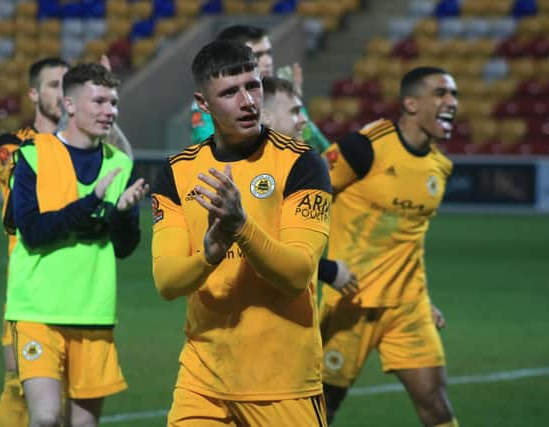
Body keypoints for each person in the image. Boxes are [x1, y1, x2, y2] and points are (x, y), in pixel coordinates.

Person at [152, 39, 332, 426]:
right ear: (203, 103)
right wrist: (209, 257)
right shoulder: (176, 173)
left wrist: (241, 226)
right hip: (202, 380)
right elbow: (167, 282)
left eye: (253, 86)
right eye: (230, 92)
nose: (248, 101)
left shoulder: (301, 163)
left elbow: (298, 273)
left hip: (281, 381)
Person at [0, 56, 134, 427]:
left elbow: (124, 246)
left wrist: (119, 216)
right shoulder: (32, 155)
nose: (109, 111)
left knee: (83, 425)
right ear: (69, 105)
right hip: (38, 311)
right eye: (100, 102)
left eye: (114, 102)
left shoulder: (120, 163)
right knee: (45, 417)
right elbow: (34, 231)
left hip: (93, 313)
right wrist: (91, 206)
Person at [317, 66, 459, 427]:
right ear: (411, 103)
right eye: (441, 93)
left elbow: (410, 240)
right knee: (320, 409)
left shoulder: (439, 167)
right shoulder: (364, 147)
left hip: (407, 306)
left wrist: (424, 299)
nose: (452, 102)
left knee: (437, 408)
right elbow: (304, 196)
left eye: (455, 95)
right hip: (351, 300)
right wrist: (320, 267)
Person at [0, 56, 69, 427]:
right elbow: (20, 214)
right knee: (17, 384)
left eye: (69, 85)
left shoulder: (87, 149)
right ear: (33, 94)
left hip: (76, 287)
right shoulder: (11, 147)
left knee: (68, 398)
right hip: (28, 287)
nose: (62, 93)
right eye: (54, 85)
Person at [190, 24, 330, 153]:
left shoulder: (280, 94)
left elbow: (321, 149)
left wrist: (294, 104)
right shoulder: (211, 103)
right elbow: (213, 149)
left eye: (268, 53)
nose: (267, 61)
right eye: (257, 55)